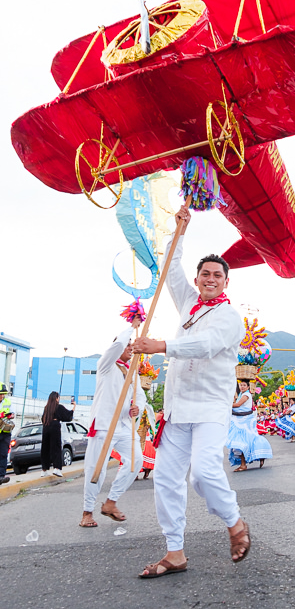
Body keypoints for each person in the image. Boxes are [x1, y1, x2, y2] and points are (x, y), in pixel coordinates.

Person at [132, 204, 250, 578]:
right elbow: (170, 268)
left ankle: (234, 524)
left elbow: (205, 346)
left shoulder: (230, 317)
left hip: (211, 408)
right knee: (166, 480)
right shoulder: (187, 302)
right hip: (177, 409)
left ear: (226, 282)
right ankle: (175, 552)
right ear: (198, 279)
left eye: (217, 275)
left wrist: (161, 346)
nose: (210, 279)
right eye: (205, 274)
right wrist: (179, 230)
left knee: (202, 474)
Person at [80, 314, 146, 528]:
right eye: (127, 345)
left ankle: (111, 502)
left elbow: (141, 398)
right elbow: (118, 343)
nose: (129, 347)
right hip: (104, 426)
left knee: (136, 462)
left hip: (125, 425)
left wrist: (138, 407)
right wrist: (132, 326)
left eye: (131, 345)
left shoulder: (131, 372)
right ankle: (87, 512)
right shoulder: (105, 365)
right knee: (95, 470)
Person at [227, 380, 273, 471]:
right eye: (241, 385)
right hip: (241, 419)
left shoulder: (246, 395)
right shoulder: (241, 394)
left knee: (242, 441)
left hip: (245, 421)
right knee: (244, 440)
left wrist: (226, 405)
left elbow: (238, 405)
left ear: (248, 387)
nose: (242, 387)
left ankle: (244, 465)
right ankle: (249, 461)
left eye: (244, 385)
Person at [40, 392, 76, 476]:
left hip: (46, 427)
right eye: (58, 397)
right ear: (56, 398)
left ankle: (44, 470)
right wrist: (74, 407)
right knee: (56, 447)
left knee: (45, 448)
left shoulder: (46, 408)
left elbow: (43, 419)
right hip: (55, 427)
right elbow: (67, 416)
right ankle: (57, 468)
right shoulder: (59, 407)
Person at [0, 385, 14, 485]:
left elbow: (13, 413)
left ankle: (1, 476)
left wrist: (10, 415)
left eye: (3, 394)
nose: (2, 396)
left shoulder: (8, 402)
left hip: (5, 432)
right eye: (0, 394)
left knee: (3, 454)